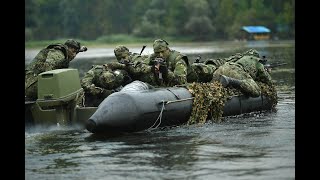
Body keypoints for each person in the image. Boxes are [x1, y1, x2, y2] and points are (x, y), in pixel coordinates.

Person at [112, 45, 179, 87]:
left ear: (128, 54)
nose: (122, 60)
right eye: (119, 58)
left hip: (153, 77)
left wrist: (127, 66)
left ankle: (164, 85)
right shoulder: (122, 63)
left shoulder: (135, 58)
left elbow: (139, 69)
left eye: (124, 57)